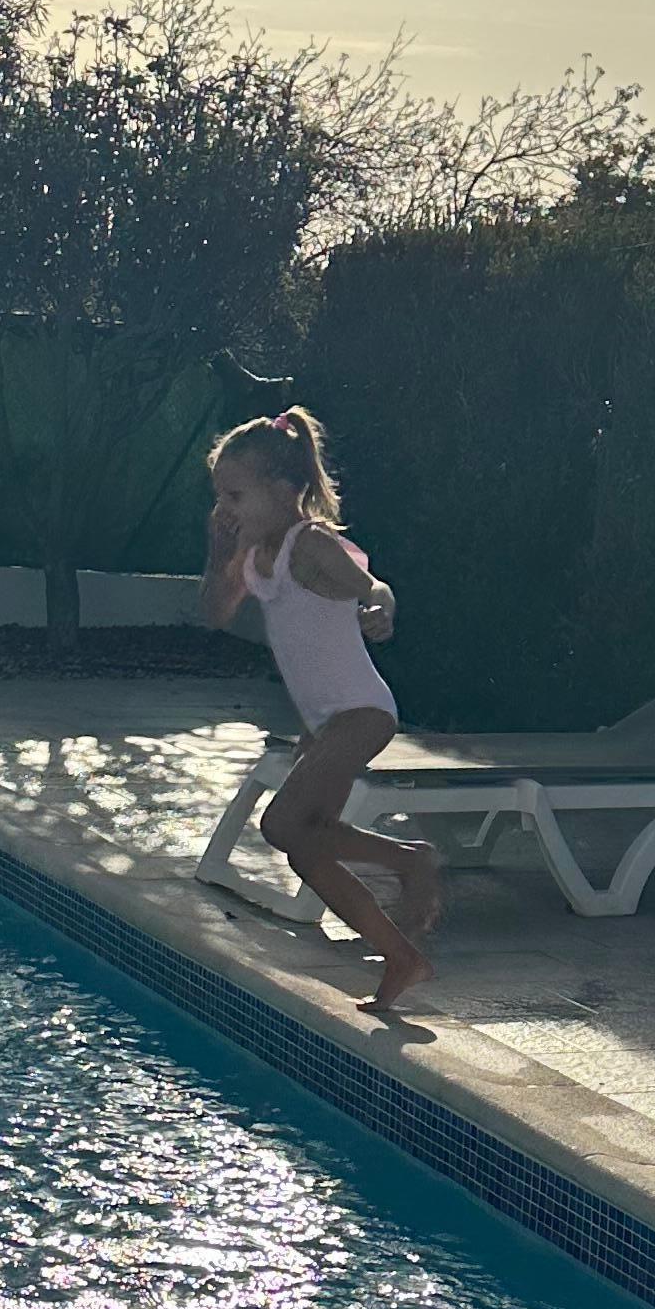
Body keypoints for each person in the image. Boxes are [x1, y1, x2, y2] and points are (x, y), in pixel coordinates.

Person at [200, 405, 433, 1013]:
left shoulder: (311, 543)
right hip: (325, 723)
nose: (225, 507)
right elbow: (216, 613)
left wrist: (381, 609)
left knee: (281, 825)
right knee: (306, 847)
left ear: (283, 491)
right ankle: (401, 953)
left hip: (361, 711)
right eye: (219, 495)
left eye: (235, 495)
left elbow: (374, 587)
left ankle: (410, 863)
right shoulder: (254, 552)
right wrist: (219, 551)